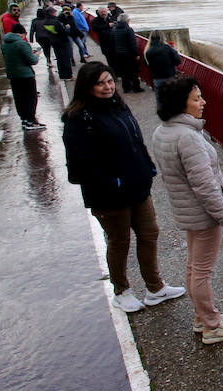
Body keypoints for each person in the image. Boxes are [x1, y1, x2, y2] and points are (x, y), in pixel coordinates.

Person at [61, 61, 185, 314]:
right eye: (100, 83)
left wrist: (148, 167)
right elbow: (79, 165)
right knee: (119, 242)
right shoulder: (78, 119)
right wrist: (112, 182)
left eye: (109, 81)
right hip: (108, 196)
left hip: (138, 187)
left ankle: (155, 287)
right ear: (87, 87)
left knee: (149, 234)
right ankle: (122, 291)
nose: (107, 87)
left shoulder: (119, 107)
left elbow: (135, 142)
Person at [151, 76, 223, 345]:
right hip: (203, 214)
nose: (203, 102)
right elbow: (205, 186)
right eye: (196, 98)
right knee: (202, 271)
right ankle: (212, 326)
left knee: (194, 267)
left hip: (186, 211)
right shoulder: (187, 137)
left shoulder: (164, 131)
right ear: (182, 104)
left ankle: (201, 317)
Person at [1, 23, 43, 131]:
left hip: (13, 75)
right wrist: (36, 55)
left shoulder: (4, 43)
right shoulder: (21, 44)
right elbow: (32, 60)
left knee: (19, 98)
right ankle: (31, 121)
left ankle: (24, 120)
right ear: (22, 34)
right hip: (25, 75)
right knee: (30, 98)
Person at [110, 12, 144, 93]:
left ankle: (126, 88)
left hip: (118, 54)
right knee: (134, 72)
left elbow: (111, 42)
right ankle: (136, 88)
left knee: (124, 72)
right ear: (127, 21)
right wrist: (136, 54)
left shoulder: (114, 29)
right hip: (129, 55)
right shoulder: (128, 30)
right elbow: (133, 44)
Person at [145, 32, 182, 96]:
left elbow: (150, 65)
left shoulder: (148, 51)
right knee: (171, 97)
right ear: (162, 38)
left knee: (159, 98)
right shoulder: (168, 48)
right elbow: (178, 61)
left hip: (157, 78)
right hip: (170, 76)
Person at [42, 7, 74, 80]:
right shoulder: (56, 22)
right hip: (63, 42)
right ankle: (69, 75)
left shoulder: (46, 22)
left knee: (59, 59)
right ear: (52, 13)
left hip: (54, 42)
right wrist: (68, 28)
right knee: (66, 59)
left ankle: (62, 75)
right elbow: (63, 32)